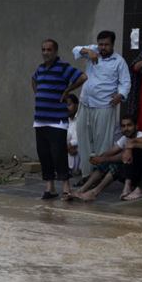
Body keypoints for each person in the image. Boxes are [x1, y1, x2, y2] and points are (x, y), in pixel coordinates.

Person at [72, 31, 132, 187]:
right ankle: (86, 175)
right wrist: (88, 51)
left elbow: (126, 83)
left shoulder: (119, 61)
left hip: (104, 105)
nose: (103, 47)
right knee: (83, 140)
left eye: (106, 44)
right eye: (101, 44)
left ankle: (99, 176)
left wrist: (120, 95)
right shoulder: (93, 51)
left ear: (113, 44)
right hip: (85, 103)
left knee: (102, 143)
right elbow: (75, 50)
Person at [32, 39, 87, 200]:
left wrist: (67, 90)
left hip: (57, 120)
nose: (45, 53)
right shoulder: (40, 69)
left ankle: (66, 188)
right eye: (43, 50)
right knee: (44, 154)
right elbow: (33, 79)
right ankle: (50, 189)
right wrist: (38, 94)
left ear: (55, 51)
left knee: (59, 154)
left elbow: (82, 77)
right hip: (40, 119)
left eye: (49, 50)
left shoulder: (63, 67)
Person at [73, 115, 142, 201]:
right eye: (123, 126)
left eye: (129, 125)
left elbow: (123, 157)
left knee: (116, 165)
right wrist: (98, 158)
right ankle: (82, 189)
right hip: (130, 173)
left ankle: (95, 192)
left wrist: (103, 159)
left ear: (136, 126)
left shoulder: (141, 136)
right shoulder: (124, 139)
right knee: (105, 162)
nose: (126, 128)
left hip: (141, 176)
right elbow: (110, 152)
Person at [65, 94, 82, 176]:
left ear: (76, 104)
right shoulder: (66, 120)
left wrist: (70, 144)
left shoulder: (82, 119)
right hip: (70, 150)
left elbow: (84, 138)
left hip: (80, 151)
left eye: (69, 105)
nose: (66, 108)